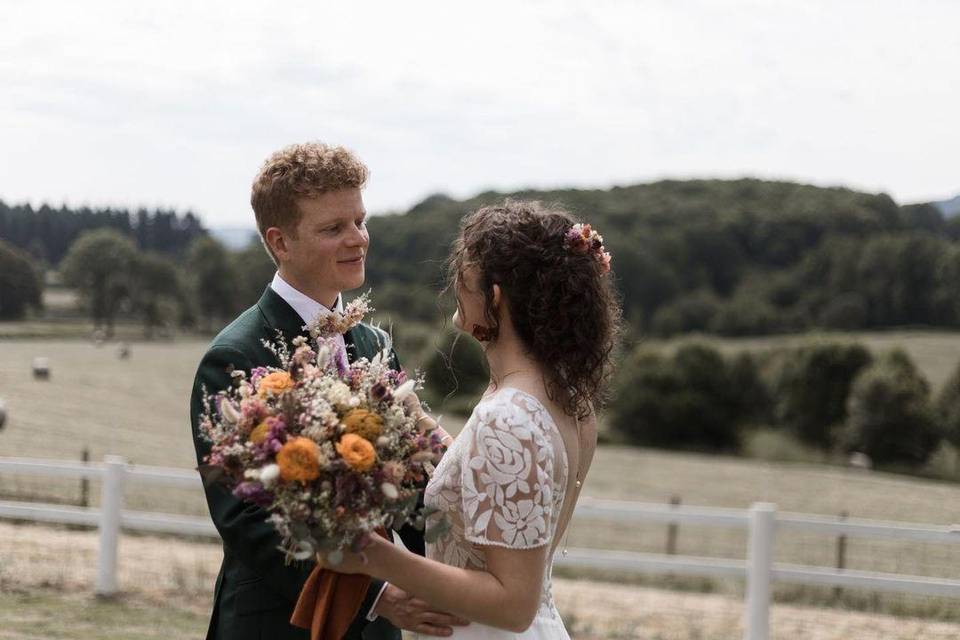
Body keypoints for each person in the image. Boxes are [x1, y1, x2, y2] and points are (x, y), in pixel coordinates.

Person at [189, 142, 468, 640]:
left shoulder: (375, 343)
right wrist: (377, 598)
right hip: (277, 624)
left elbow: (408, 481)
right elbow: (246, 519)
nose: (358, 239)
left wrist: (463, 567)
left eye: (360, 221)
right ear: (280, 242)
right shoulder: (234, 357)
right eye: (333, 228)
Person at [333, 200, 622, 638]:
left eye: (464, 277)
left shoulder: (507, 416)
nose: (454, 288)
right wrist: (428, 433)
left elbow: (512, 603)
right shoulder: (564, 397)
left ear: (496, 297)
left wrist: (372, 555)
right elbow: (506, 500)